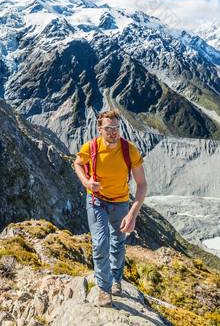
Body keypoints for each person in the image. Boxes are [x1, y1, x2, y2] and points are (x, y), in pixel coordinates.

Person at [74, 109, 147, 307]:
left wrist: (132, 214)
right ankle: (104, 290)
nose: (113, 132)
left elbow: (142, 184)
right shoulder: (91, 147)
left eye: (116, 128)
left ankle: (116, 279)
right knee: (100, 243)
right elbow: (78, 164)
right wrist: (86, 183)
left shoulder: (128, 149)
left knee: (118, 242)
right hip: (96, 199)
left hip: (121, 201)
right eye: (108, 129)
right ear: (100, 130)